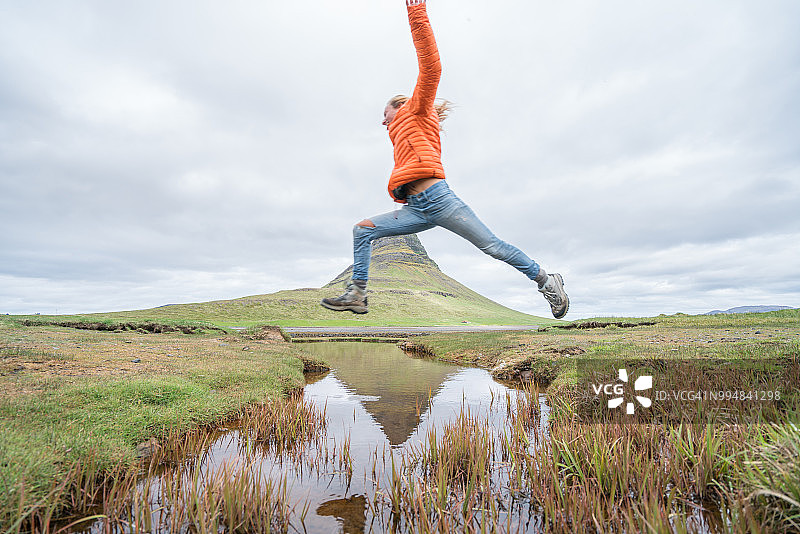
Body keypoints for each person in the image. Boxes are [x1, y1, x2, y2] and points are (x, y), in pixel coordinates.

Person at [321, 0, 569, 319]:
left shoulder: (417, 110)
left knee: (492, 246)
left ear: (398, 106)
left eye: (384, 114)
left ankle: (547, 280)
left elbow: (431, 68)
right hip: (415, 209)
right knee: (362, 230)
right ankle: (357, 294)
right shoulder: (399, 132)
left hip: (440, 200)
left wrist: (417, 11)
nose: (382, 122)